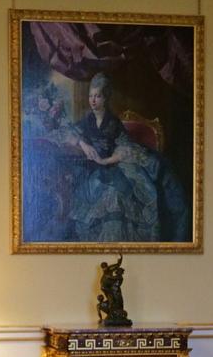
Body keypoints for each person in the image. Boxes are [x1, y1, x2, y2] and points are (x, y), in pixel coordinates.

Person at [68, 73, 190, 244]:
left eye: (97, 96)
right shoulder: (87, 120)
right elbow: (69, 133)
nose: (93, 100)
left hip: (114, 165)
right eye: (90, 96)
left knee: (116, 195)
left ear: (106, 98)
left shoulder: (113, 122)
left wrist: (104, 161)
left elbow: (124, 149)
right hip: (93, 169)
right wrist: (83, 143)